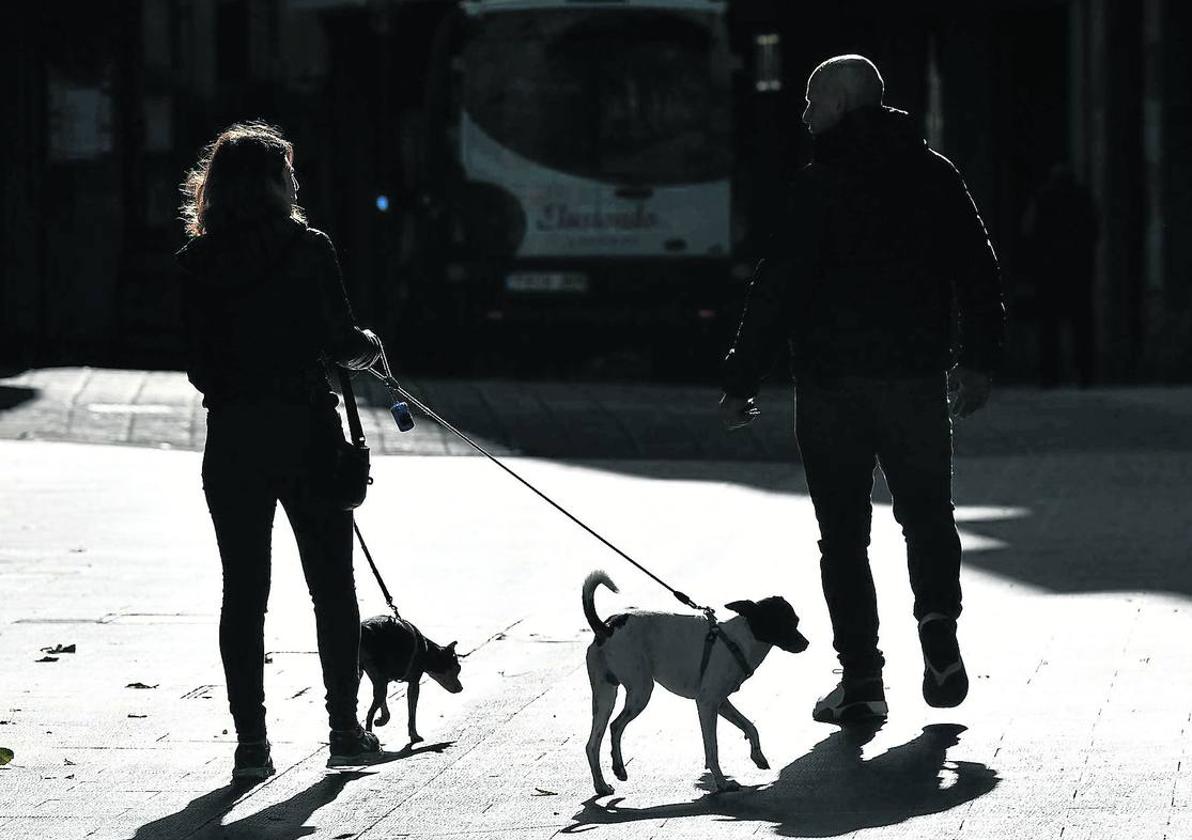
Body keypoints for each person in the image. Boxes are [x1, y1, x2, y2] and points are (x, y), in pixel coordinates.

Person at [719, 56, 1005, 723]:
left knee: (844, 539)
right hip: (913, 382)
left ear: (843, 105)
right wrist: (979, 360)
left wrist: (739, 380)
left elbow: (776, 290)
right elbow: (979, 269)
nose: (804, 113)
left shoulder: (816, 185)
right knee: (927, 517)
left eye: (812, 100)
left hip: (830, 390)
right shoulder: (935, 175)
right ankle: (936, 620)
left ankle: (863, 681)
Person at [176, 121, 386, 780]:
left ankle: (251, 747)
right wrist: (370, 346)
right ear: (275, 182)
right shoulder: (309, 248)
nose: (297, 182)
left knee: (243, 594)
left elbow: (199, 367)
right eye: (289, 171)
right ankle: (345, 732)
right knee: (333, 589)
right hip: (307, 433)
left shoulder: (196, 263)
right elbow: (339, 338)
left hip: (234, 438)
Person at [1021, 162, 1099, 387]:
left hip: (1050, 273)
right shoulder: (1082, 197)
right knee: (1081, 326)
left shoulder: (1044, 198)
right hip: (1077, 272)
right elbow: (1094, 230)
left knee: (1049, 327)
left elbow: (1030, 234)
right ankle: (1085, 374)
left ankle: (1050, 376)